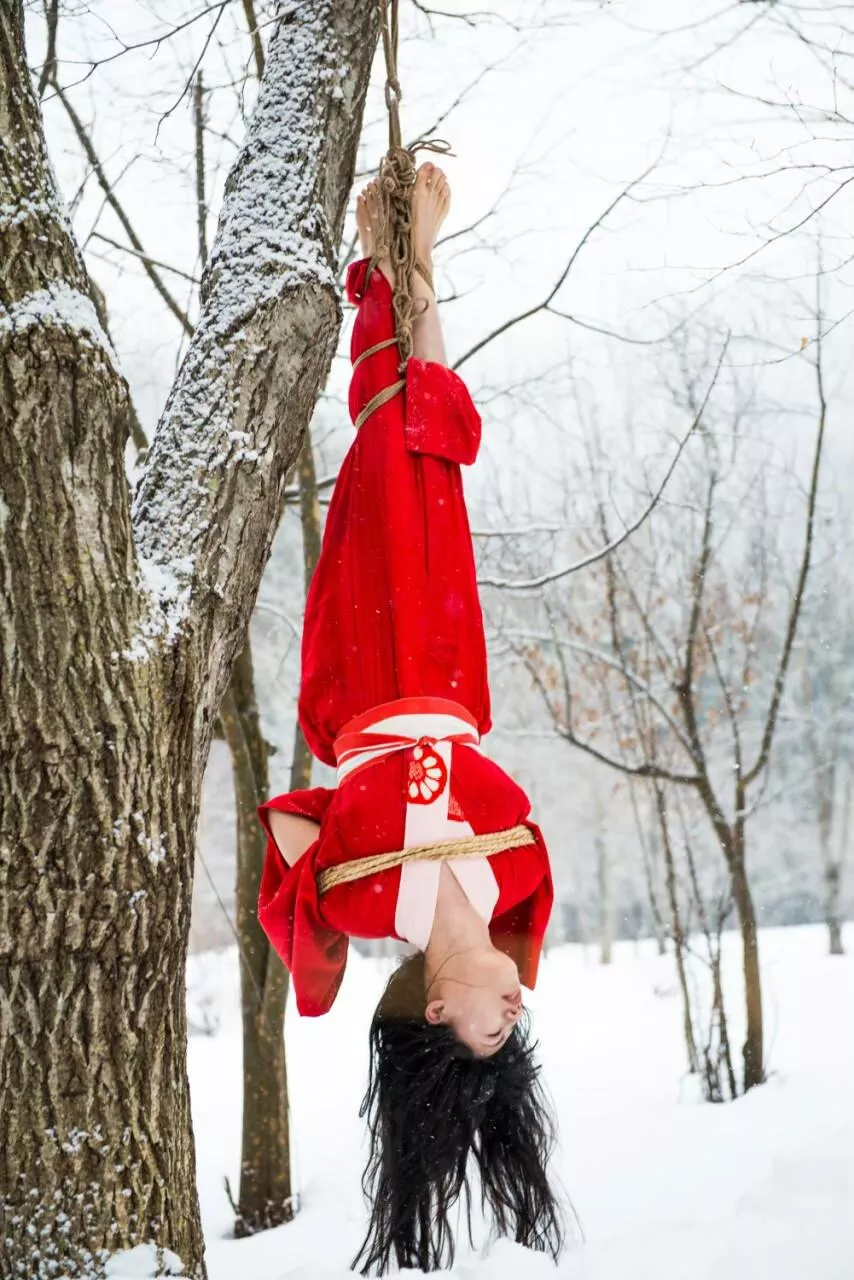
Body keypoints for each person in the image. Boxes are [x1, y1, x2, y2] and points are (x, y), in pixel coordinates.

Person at [257, 163, 564, 1275]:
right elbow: (514, 852)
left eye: (493, 1022)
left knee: (390, 456)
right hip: (450, 665)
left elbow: (287, 825)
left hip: (367, 673)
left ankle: (388, 267)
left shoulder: (364, 900)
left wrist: (321, 907)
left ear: (436, 1006)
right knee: (432, 455)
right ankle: (403, 266)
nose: (515, 998)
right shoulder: (510, 881)